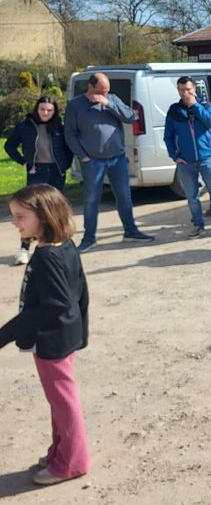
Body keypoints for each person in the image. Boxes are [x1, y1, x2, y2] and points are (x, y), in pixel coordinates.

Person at [0, 184, 90, 486]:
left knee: (63, 402)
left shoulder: (48, 256)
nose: (14, 222)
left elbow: (55, 303)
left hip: (54, 339)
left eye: (20, 216)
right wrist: (81, 331)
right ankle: (61, 451)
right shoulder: (64, 245)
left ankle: (72, 463)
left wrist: (4, 335)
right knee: (58, 401)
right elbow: (79, 291)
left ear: (45, 215)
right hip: (64, 334)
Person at [64, 72, 154, 252]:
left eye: (106, 90)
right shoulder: (75, 105)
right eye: (101, 91)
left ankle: (131, 231)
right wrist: (83, 156)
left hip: (117, 158)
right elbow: (70, 134)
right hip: (92, 161)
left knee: (124, 196)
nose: (104, 94)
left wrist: (109, 104)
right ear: (90, 87)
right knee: (91, 200)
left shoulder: (112, 99)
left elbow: (130, 117)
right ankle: (89, 238)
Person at [5, 95, 73, 265]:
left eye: (49, 110)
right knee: (31, 211)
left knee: (55, 210)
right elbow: (9, 146)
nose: (45, 113)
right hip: (37, 172)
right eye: (42, 109)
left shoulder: (59, 127)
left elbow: (68, 148)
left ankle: (57, 245)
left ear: (54, 111)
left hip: (56, 172)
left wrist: (65, 164)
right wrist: (24, 162)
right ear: (37, 109)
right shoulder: (25, 126)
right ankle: (24, 249)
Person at [164, 76, 211, 238]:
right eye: (181, 90)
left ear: (194, 89)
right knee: (192, 196)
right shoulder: (174, 111)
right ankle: (198, 225)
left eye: (188, 89)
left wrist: (195, 105)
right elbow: (168, 135)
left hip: (206, 158)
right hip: (186, 161)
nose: (185, 93)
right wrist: (174, 155)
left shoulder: (205, 105)